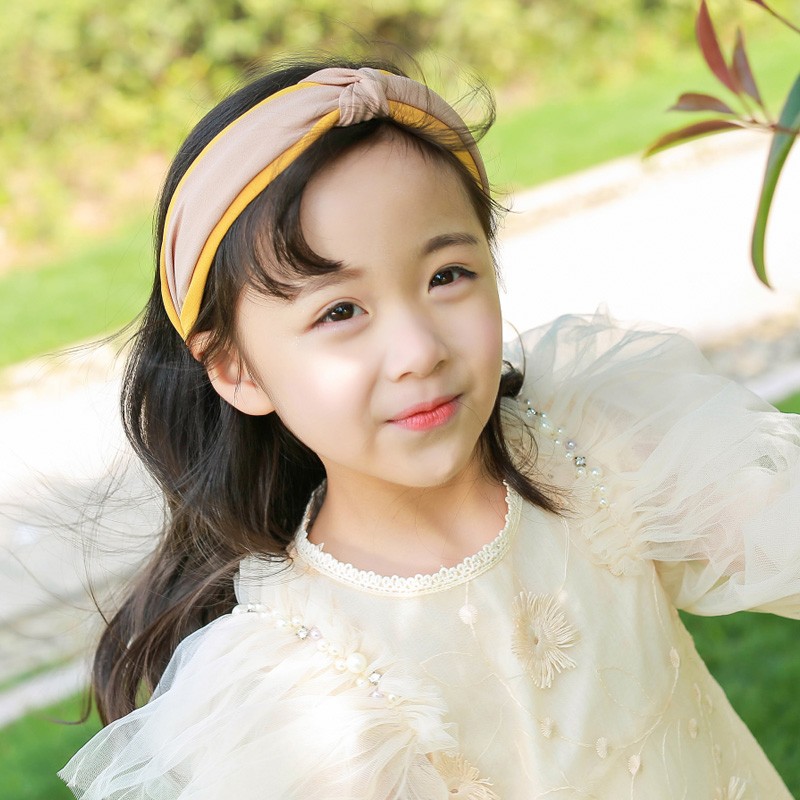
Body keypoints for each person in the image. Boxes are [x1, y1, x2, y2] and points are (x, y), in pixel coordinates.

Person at [60, 58, 799, 799]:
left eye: (446, 275)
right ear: (236, 370)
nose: (419, 351)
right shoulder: (301, 694)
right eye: (340, 312)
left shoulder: (595, 444)